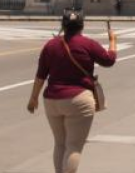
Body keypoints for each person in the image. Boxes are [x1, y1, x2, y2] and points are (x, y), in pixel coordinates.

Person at [27, 11, 117, 173]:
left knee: (60, 143)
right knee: (74, 146)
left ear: (63, 26)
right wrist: (112, 41)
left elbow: (41, 75)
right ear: (81, 26)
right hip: (78, 100)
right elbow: (109, 60)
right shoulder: (87, 44)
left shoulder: (51, 45)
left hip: (52, 101)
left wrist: (33, 99)